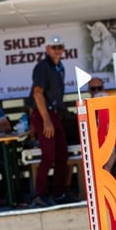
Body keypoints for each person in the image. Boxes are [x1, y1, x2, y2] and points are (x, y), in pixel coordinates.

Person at [26, 35, 73, 207]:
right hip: (43, 114)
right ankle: (40, 194)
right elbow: (37, 93)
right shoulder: (42, 67)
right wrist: (46, 120)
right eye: (54, 48)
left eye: (60, 47)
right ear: (47, 49)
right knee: (49, 156)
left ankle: (59, 192)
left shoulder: (59, 67)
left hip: (54, 114)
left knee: (62, 154)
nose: (57, 50)